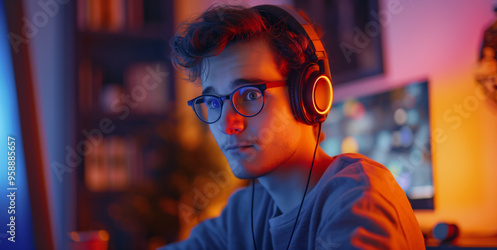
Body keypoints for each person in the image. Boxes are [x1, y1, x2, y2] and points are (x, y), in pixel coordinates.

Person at [160, 4, 425, 250]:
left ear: (309, 95)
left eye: (250, 94)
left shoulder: (361, 200)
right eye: (212, 102)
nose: (228, 124)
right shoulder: (244, 212)